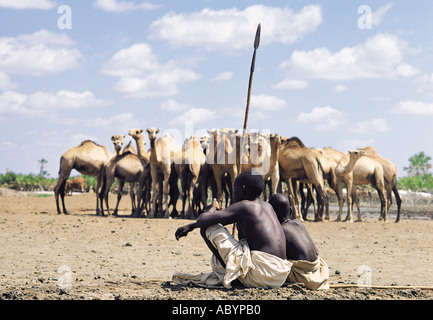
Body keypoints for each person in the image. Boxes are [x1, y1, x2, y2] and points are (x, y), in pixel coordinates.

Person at [173, 171, 292, 289]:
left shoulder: (244, 206)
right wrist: (191, 226)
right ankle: (238, 273)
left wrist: (211, 209)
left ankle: (232, 275)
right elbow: (223, 219)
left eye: (234, 189)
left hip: (261, 276)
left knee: (207, 228)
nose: (233, 193)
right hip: (279, 276)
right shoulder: (268, 206)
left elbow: (203, 221)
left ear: (243, 189)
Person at [268, 193, 329, 290]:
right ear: (291, 210)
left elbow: (278, 257)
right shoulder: (298, 223)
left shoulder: (280, 230)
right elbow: (316, 251)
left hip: (303, 277)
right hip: (319, 272)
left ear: (271, 214)